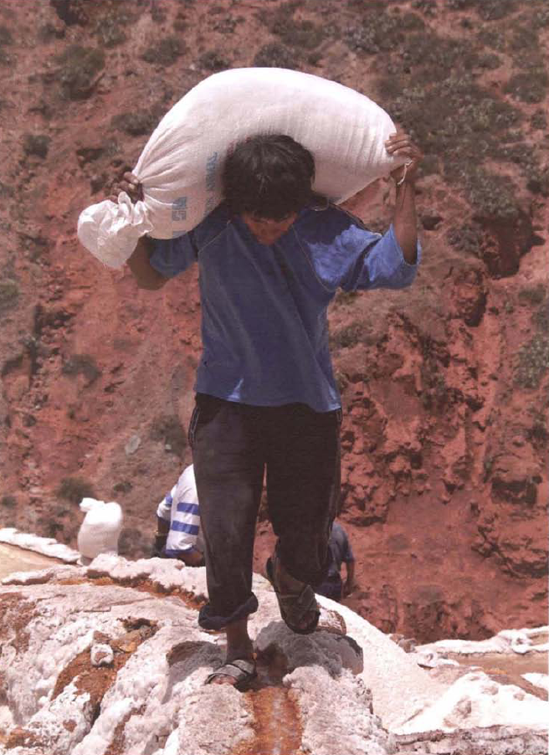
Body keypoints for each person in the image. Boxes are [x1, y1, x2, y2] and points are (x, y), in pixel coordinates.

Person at [109, 130, 422, 691]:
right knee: (226, 530)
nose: (268, 228)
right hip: (226, 404)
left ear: (301, 205)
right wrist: (133, 218)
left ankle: (292, 579)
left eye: (281, 218)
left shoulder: (324, 230)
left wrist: (405, 187)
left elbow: (397, 265)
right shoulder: (214, 223)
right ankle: (235, 643)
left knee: (308, 531)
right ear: (237, 203)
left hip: (307, 406)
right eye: (258, 217)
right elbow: (151, 273)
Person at [152, 463, 205, 567]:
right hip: (192, 562)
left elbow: (164, 509)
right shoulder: (200, 483)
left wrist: (161, 543)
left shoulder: (191, 470)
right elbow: (181, 546)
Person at [316, 521, 356, 602]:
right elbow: (350, 560)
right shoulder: (339, 530)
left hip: (318, 585)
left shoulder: (313, 530)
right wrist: (349, 583)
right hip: (335, 584)